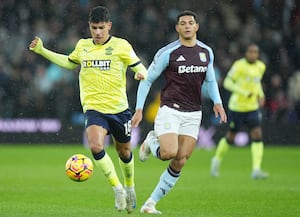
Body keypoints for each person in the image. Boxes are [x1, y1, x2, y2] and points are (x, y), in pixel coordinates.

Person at [29, 6, 147, 213]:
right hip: (94, 108)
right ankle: (117, 189)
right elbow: (68, 63)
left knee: (124, 152)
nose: (98, 32)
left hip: (119, 110)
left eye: (101, 27)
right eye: (94, 28)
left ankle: (130, 187)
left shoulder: (121, 46)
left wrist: (140, 74)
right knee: (95, 146)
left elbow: (141, 69)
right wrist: (41, 50)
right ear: (89, 27)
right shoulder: (83, 46)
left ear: (109, 26)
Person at [132, 10, 227, 214]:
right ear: (177, 28)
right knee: (168, 153)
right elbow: (147, 79)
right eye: (182, 23)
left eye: (190, 23)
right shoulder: (168, 52)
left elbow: (210, 80)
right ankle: (151, 141)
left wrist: (218, 102)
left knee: (181, 159)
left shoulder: (206, 52)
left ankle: (150, 203)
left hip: (194, 112)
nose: (186, 26)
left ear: (196, 27)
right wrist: (139, 109)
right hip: (170, 109)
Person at [210, 44, 269, 180]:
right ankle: (217, 160)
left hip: (252, 107)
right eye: (250, 52)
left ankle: (256, 169)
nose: (253, 54)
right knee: (230, 137)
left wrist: (261, 94)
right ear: (246, 53)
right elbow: (227, 83)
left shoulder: (261, 66)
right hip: (237, 107)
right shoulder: (239, 66)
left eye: (255, 52)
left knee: (257, 135)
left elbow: (257, 83)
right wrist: (243, 92)